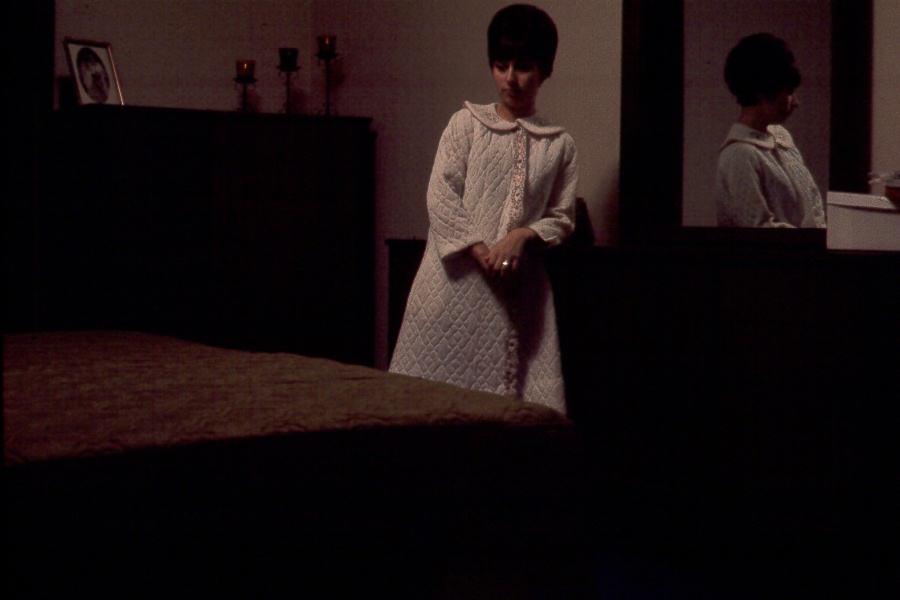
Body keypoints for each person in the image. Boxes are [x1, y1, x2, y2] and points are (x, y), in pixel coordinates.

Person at [389, 4, 578, 414]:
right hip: (452, 284)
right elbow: (441, 195)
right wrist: (482, 252)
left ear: (544, 70)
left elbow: (562, 217)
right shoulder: (466, 124)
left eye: (523, 66)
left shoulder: (559, 145)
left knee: (511, 413)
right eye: (501, 65)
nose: (511, 78)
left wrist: (520, 236)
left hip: (520, 290)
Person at [715, 33, 826, 228]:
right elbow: (759, 231)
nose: (796, 102)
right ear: (764, 93)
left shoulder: (780, 137)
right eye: (789, 92)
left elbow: (813, 206)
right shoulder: (740, 155)